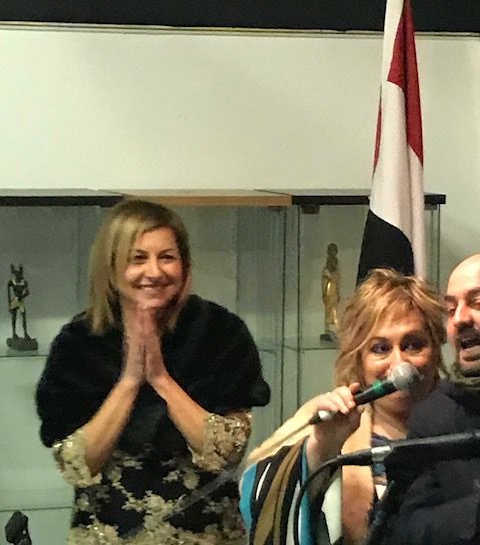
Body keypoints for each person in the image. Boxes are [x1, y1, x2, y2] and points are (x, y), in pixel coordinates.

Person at [36, 199, 270, 545]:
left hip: (207, 534)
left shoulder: (221, 332)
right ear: (111, 266)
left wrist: (161, 379)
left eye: (167, 257)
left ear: (184, 264)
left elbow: (226, 454)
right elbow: (76, 466)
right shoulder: (78, 343)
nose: (154, 272)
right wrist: (129, 382)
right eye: (138, 258)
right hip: (107, 535)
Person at [240, 268, 446, 545]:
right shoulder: (328, 424)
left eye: (413, 345)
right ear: (358, 359)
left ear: (436, 350)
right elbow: (261, 501)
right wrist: (320, 449)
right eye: (380, 349)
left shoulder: (464, 419)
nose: (399, 364)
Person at [385, 254, 480, 545]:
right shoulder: (434, 417)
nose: (460, 318)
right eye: (450, 309)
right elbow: (403, 529)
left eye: (477, 302)